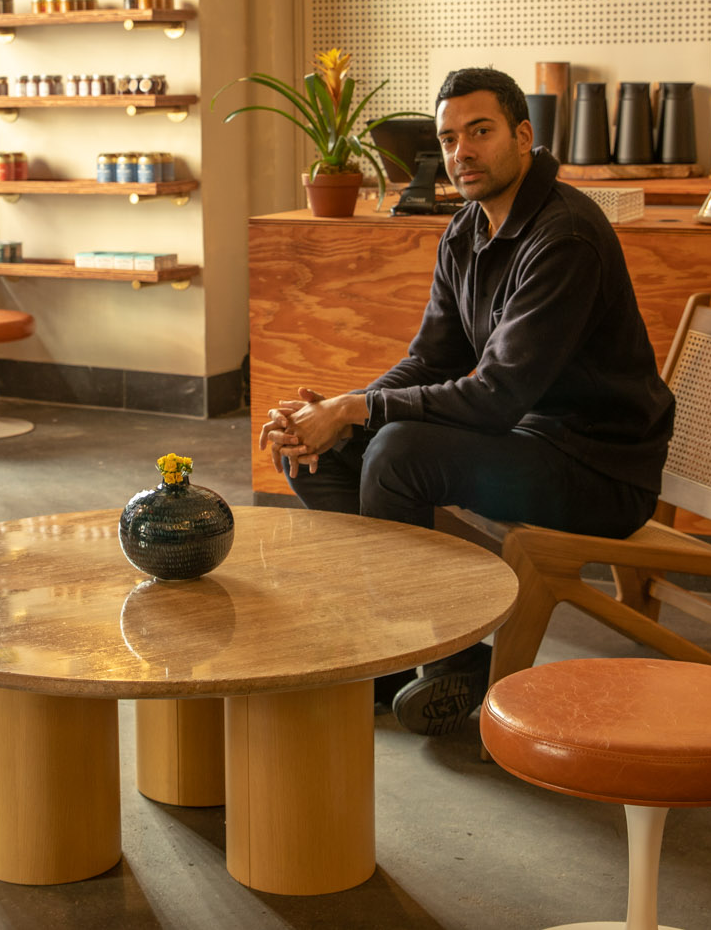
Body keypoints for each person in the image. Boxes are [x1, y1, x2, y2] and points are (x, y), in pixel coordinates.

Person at [261, 66, 675, 734]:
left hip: (598, 470)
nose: (462, 153)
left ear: (522, 135)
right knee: (311, 451)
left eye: (479, 132)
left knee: (394, 450)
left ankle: (420, 654)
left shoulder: (563, 235)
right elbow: (430, 359)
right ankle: (430, 662)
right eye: (450, 138)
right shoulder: (466, 231)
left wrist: (356, 409)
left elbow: (494, 397)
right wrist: (338, 411)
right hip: (527, 445)